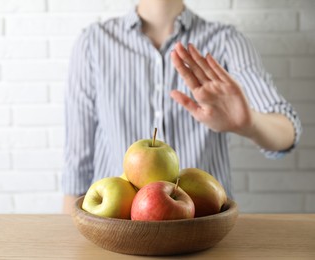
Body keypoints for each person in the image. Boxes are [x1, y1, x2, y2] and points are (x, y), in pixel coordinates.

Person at [62, 0, 302, 214]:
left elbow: (287, 131)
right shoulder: (93, 43)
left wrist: (250, 124)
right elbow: (77, 165)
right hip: (114, 230)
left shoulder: (226, 41)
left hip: (204, 228)